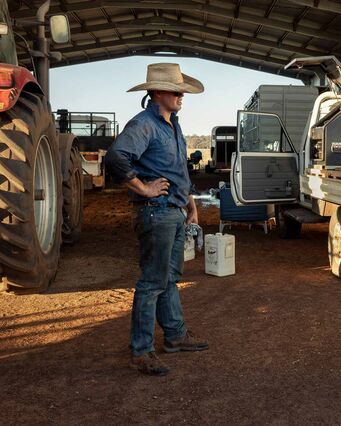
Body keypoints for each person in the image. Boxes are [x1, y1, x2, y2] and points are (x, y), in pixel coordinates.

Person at [105, 63, 209, 376]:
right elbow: (115, 158)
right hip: (156, 212)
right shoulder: (144, 124)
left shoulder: (172, 124)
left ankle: (175, 336)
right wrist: (143, 188)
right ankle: (141, 350)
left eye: (182, 91)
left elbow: (179, 169)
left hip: (174, 210)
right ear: (157, 92)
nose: (181, 96)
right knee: (152, 282)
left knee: (169, 279)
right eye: (176, 90)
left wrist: (190, 202)